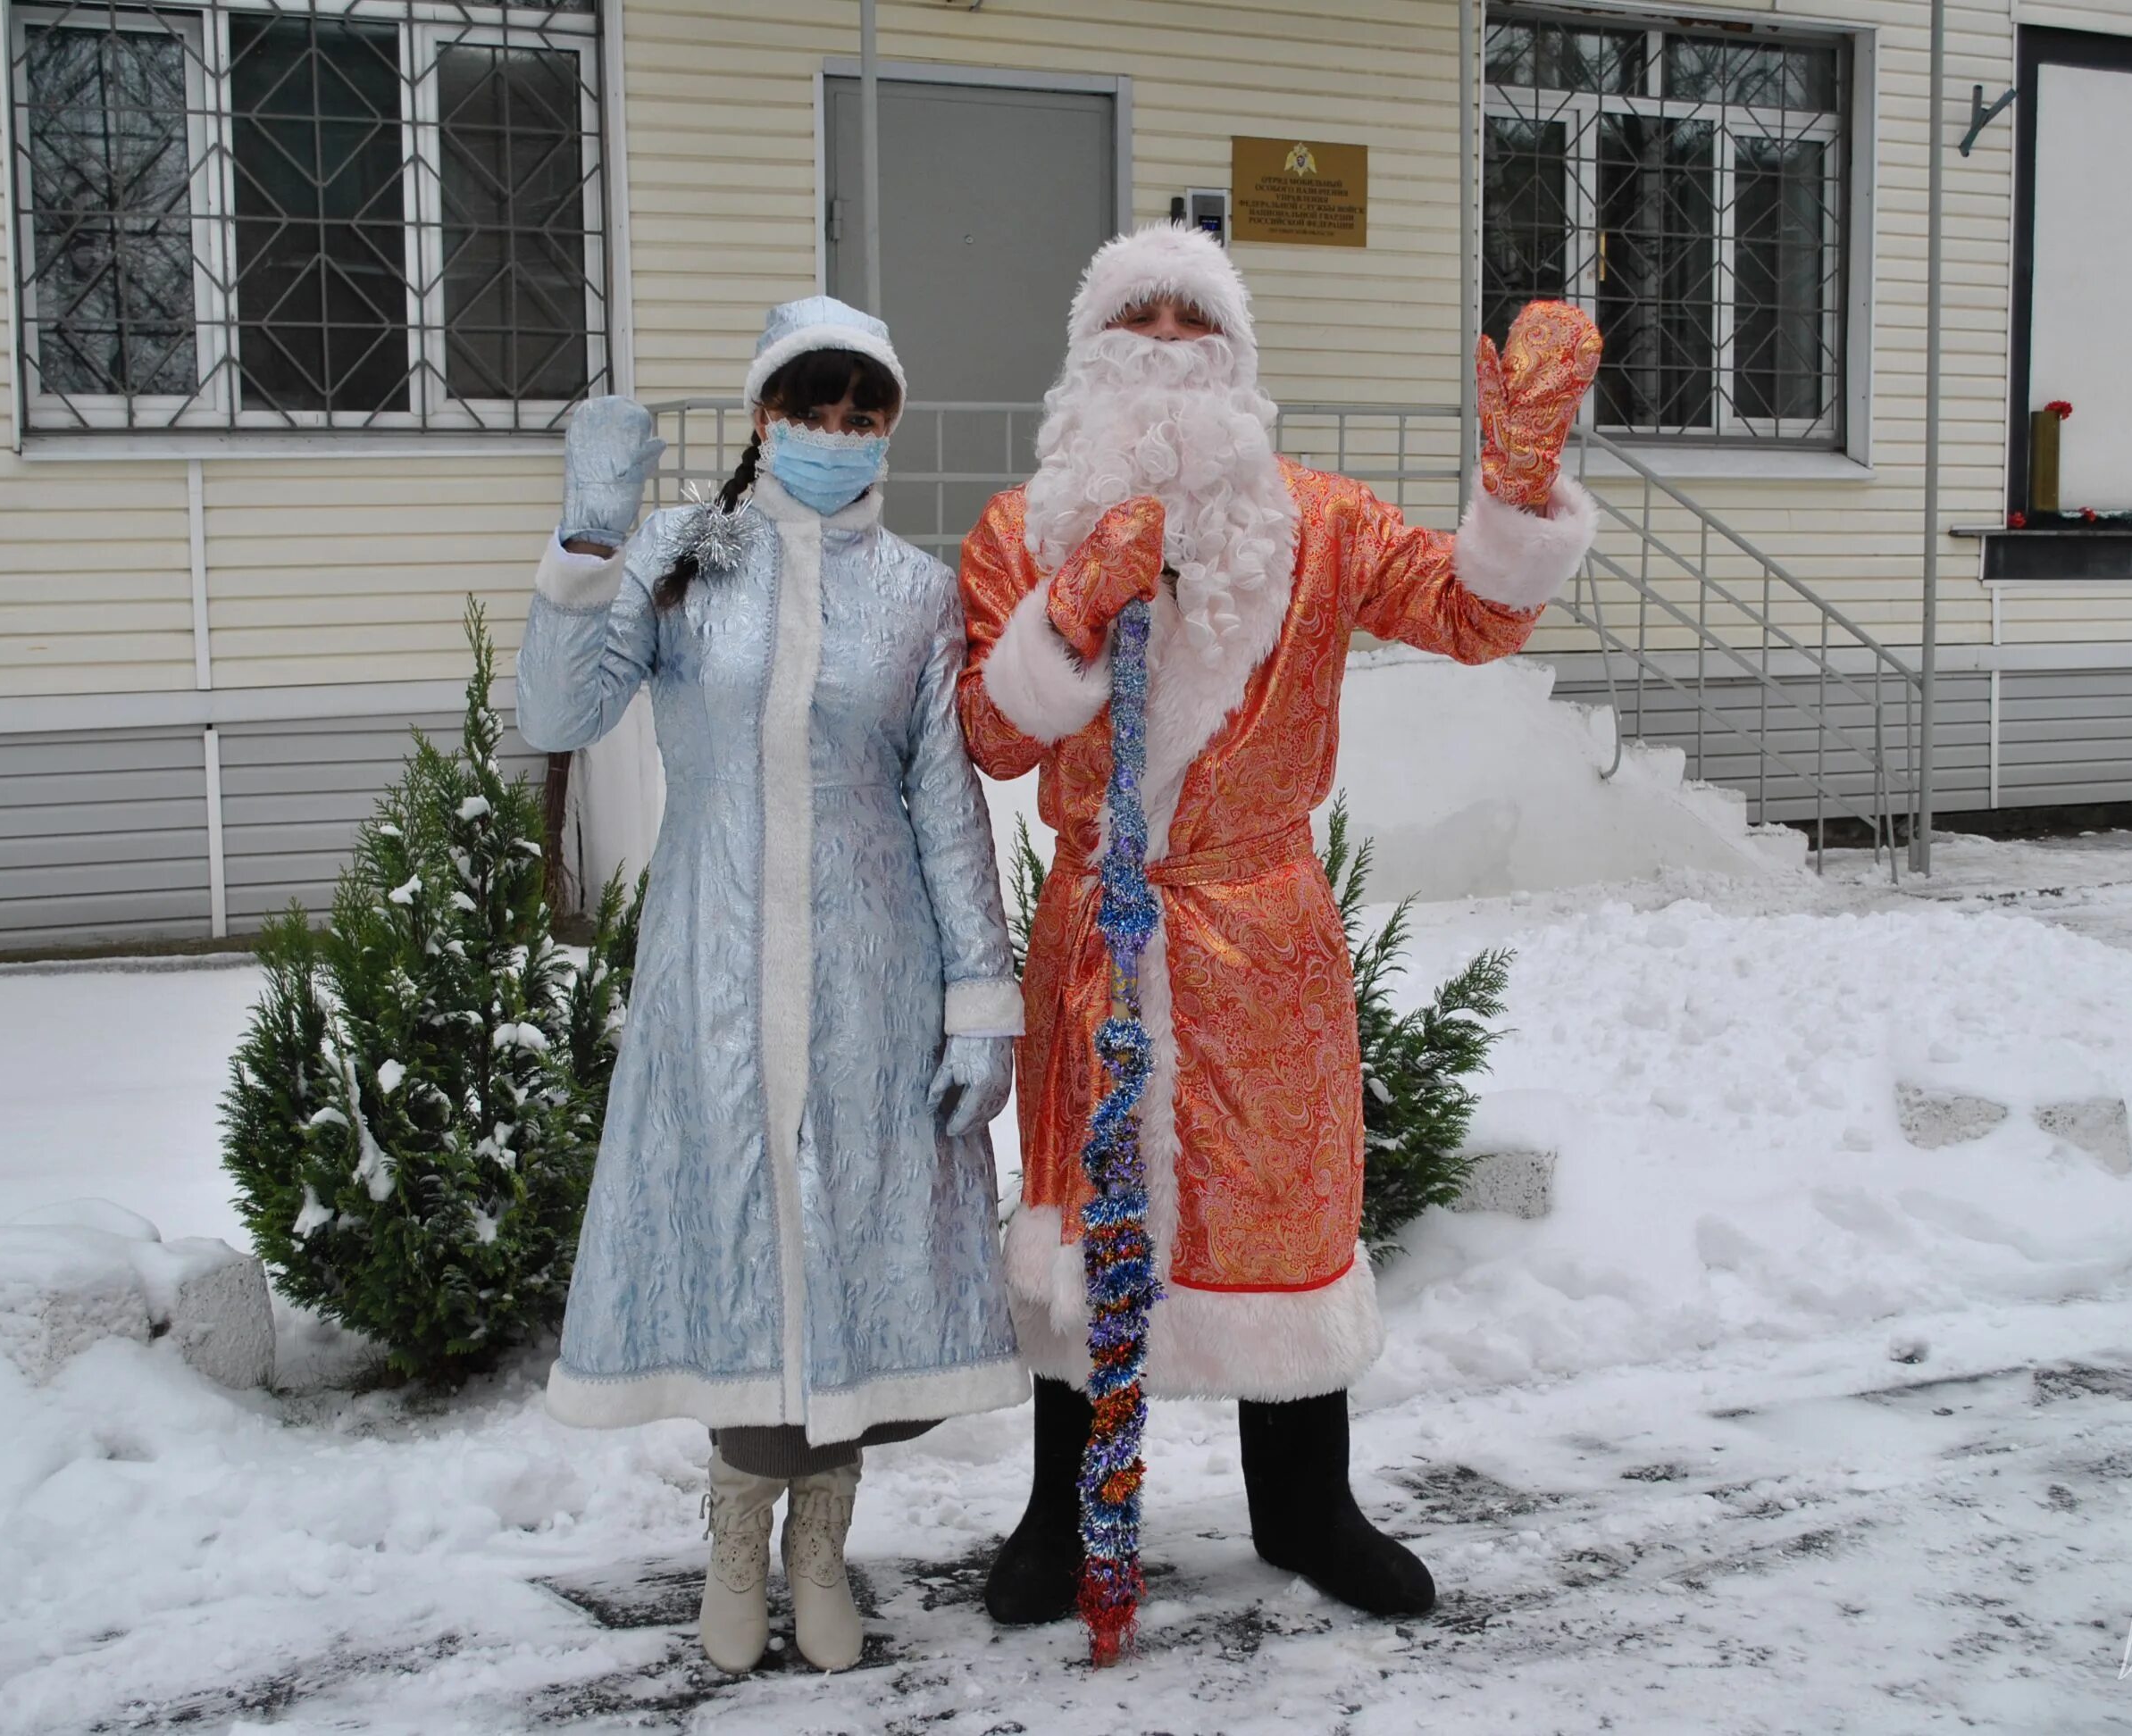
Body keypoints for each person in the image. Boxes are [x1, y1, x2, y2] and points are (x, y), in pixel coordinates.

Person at [956, 226, 1601, 1623]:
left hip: (1263, 932)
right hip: (1103, 929)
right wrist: (1073, 611)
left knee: (1284, 1216)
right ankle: (1066, 1516)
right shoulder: (1020, 532)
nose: (1170, 345)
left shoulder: (1319, 523)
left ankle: (1308, 1507)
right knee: (1088, 1225)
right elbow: (995, 736)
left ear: (1241, 362)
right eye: (1142, 320)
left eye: (1200, 326)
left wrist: (1521, 486)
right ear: (1088, 357)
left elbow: (1471, 617)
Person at [515, 296, 1030, 1675]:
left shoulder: (917, 594)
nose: (839, 436)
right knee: (752, 1245)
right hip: (717, 964)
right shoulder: (689, 559)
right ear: (765, 416)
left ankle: (822, 1552)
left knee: (846, 1254)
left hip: (872, 973)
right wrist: (590, 536)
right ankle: (736, 1541)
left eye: (865, 415)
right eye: (815, 408)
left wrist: (982, 995)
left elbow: (943, 805)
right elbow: (556, 717)